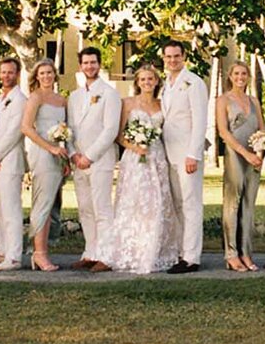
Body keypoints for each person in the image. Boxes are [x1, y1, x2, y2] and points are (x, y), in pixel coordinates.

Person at [99, 64, 178, 274]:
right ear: (137, 82)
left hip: (157, 157)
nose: (147, 83)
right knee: (134, 203)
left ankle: (156, 250)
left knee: (158, 203)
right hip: (134, 158)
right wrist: (136, 146)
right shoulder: (127, 103)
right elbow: (118, 134)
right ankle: (131, 250)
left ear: (156, 81)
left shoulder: (163, 104)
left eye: (150, 79)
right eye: (143, 79)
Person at [67, 46, 122, 272]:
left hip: (99, 160)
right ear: (80, 66)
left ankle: (106, 256)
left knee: (102, 208)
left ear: (100, 65)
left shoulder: (110, 93)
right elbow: (69, 128)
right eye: (86, 63)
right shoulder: (74, 96)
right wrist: (73, 153)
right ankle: (90, 252)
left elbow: (110, 130)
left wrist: (89, 156)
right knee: (85, 208)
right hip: (78, 161)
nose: (90, 66)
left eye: (93, 62)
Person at [160, 40, 209, 274]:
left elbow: (200, 121)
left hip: (187, 154)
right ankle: (180, 251)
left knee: (191, 204)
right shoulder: (165, 85)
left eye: (176, 56)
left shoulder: (194, 83)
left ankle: (191, 257)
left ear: (184, 56)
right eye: (168, 57)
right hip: (169, 152)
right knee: (178, 204)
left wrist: (193, 154)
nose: (172, 61)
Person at [20, 58, 69, 272]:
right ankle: (39, 254)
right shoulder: (35, 97)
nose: (46, 76)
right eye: (42, 73)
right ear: (36, 77)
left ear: (54, 75)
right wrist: (50, 148)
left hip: (59, 154)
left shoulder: (62, 100)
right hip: (42, 153)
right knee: (43, 203)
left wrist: (64, 156)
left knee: (52, 204)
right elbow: (26, 128)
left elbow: (65, 129)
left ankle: (42, 252)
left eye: (49, 73)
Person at [216, 62, 263, 272]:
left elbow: (262, 128)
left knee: (248, 205)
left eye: (244, 73)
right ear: (230, 76)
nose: (240, 77)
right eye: (236, 73)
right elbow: (224, 132)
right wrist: (245, 154)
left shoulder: (254, 101)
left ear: (249, 76)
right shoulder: (223, 100)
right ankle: (231, 254)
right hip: (236, 154)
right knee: (232, 204)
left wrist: (260, 152)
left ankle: (245, 252)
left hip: (255, 156)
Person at [0, 57, 28, 271]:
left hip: (10, 160)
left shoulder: (20, 100)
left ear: (17, 74)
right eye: (3, 72)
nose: (6, 76)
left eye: (10, 72)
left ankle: (14, 256)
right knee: (0, 208)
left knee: (11, 209)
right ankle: (3, 249)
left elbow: (14, 132)